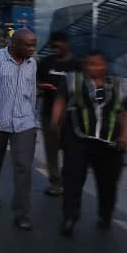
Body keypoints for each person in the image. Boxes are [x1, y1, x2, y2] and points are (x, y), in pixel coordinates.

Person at [53, 50, 127, 236]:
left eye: (98, 64)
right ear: (85, 65)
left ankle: (105, 215)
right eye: (90, 64)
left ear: (105, 65)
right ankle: (69, 218)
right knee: (72, 180)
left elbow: (125, 112)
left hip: (110, 144)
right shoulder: (72, 80)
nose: (94, 68)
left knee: (108, 184)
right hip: (78, 140)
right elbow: (60, 102)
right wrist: (55, 124)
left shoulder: (119, 85)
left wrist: (123, 136)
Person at [0, 28, 39, 231]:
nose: (32, 49)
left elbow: (32, 92)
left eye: (34, 44)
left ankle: (22, 213)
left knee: (24, 167)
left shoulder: (32, 64)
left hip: (24, 123)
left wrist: (32, 117)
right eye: (28, 45)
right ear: (14, 44)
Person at [37, 32, 81, 197]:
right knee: (51, 149)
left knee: (71, 150)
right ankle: (55, 182)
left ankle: (68, 179)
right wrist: (41, 87)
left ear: (67, 44)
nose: (55, 49)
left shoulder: (76, 65)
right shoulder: (46, 63)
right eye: (52, 46)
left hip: (71, 116)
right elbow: (37, 83)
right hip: (48, 114)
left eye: (58, 45)